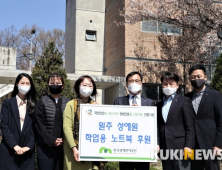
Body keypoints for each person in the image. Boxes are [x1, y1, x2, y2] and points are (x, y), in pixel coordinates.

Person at [114, 71, 154, 170]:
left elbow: (154, 125)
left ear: (141, 83)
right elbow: (115, 122)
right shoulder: (119, 101)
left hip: (143, 146)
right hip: (125, 147)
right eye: (131, 81)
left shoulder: (150, 103)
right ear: (127, 84)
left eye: (137, 81)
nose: (134, 83)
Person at [185, 64, 222, 170]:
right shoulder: (186, 98)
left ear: (205, 77)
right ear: (189, 79)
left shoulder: (215, 95)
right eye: (193, 77)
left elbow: (221, 121)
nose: (196, 79)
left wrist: (219, 144)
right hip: (192, 145)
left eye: (199, 76)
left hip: (210, 144)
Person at [156, 72, 195, 170]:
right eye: (165, 84)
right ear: (162, 85)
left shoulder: (184, 101)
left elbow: (190, 126)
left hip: (181, 147)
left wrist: (189, 146)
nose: (168, 86)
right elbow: (158, 125)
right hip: (164, 148)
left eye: (171, 83)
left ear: (177, 85)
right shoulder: (158, 104)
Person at [0, 73, 37, 169]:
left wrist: (28, 147)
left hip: (27, 153)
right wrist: (15, 146)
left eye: (27, 83)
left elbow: (36, 128)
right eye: (22, 83)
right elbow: (4, 126)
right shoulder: (7, 103)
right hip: (9, 151)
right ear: (17, 84)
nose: (25, 85)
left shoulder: (34, 105)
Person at [34, 73, 70, 170]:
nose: (54, 84)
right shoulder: (42, 101)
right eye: (52, 82)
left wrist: (64, 139)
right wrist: (51, 139)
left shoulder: (68, 102)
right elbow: (38, 123)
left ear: (62, 86)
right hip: (45, 148)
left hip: (63, 148)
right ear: (48, 85)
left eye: (58, 82)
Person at [63, 75, 99, 170]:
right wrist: (74, 148)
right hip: (73, 151)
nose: (87, 87)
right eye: (84, 84)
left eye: (90, 85)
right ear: (78, 87)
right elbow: (67, 128)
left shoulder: (96, 105)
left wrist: (99, 111)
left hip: (91, 151)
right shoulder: (71, 104)